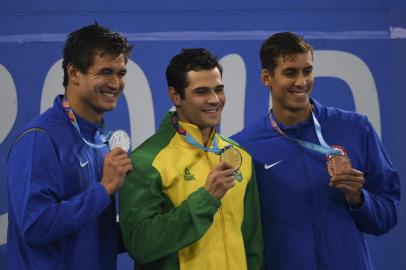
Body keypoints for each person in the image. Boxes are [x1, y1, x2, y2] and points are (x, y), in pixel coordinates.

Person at [231, 32, 400, 270]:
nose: (301, 82)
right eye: (290, 72)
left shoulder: (355, 129)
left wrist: (360, 199)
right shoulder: (245, 147)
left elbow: (387, 215)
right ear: (266, 77)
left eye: (307, 71)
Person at [119, 48, 264, 270]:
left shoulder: (239, 156)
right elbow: (141, 244)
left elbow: (252, 244)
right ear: (175, 96)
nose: (214, 100)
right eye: (201, 92)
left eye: (219, 89)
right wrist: (206, 198)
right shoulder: (147, 161)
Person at [7, 23, 133, 270]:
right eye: (106, 72)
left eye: (121, 73)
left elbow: (92, 234)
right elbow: (36, 226)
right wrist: (104, 189)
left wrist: (153, 224)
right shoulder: (39, 139)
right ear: (74, 73)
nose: (116, 83)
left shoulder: (100, 140)